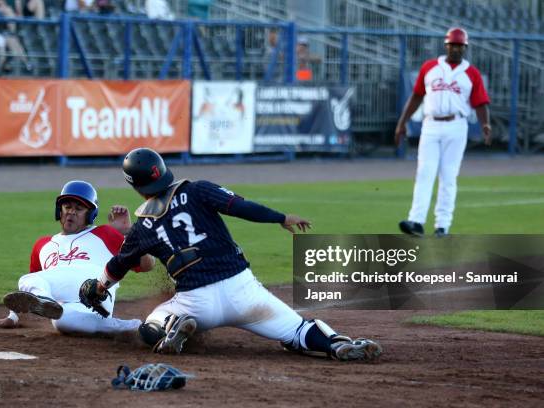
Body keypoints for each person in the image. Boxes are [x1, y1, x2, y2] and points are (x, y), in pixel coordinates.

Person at [80, 148, 382, 362]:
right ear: (163, 169)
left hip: (196, 303)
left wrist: (100, 285)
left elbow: (118, 264)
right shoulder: (197, 190)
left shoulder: (142, 226)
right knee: (297, 329)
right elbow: (240, 207)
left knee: (151, 324)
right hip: (243, 290)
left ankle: (171, 326)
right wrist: (280, 217)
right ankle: (335, 344)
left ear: (134, 184)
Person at [0, 180, 155, 336]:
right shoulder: (42, 245)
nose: (71, 212)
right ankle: (135, 327)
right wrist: (13, 317)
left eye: (78, 208)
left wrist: (128, 234)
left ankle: (46, 300)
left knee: (27, 280)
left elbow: (147, 265)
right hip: (68, 304)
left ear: (90, 215)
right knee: (62, 321)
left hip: (96, 291)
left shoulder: (105, 233)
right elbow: (29, 292)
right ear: (59, 210)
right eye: (67, 206)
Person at [395, 27, 491, 237]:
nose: (456, 49)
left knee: (448, 176)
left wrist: (485, 124)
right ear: (446, 45)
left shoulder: (471, 73)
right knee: (424, 173)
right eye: (452, 45)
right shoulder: (430, 67)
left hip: (456, 125)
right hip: (430, 125)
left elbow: (480, 103)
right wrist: (402, 122)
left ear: (465, 48)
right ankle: (416, 221)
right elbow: (416, 96)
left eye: (460, 46)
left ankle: (442, 226)